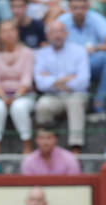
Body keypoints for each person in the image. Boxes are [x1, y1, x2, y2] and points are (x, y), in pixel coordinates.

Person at [33, 19, 89, 151]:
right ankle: (47, 145)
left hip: (75, 94)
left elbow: (83, 81)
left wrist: (52, 81)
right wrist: (65, 79)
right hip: (53, 96)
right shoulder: (41, 54)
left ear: (66, 33)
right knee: (42, 105)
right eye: (54, 32)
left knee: (75, 102)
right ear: (47, 35)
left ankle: (76, 147)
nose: (58, 35)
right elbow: (40, 83)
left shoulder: (79, 51)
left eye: (61, 31)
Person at [58, 0, 106, 114]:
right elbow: (49, 47)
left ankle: (100, 100)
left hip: (92, 62)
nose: (79, 11)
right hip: (70, 66)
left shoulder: (96, 19)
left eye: (82, 8)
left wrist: (96, 48)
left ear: (88, 8)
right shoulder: (61, 22)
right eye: (75, 8)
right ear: (69, 8)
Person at [0, 19, 36, 154]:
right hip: (1, 95)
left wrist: (15, 97)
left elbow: (26, 80)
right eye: (4, 31)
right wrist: (4, 97)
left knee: (18, 106)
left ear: (17, 32)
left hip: (24, 95)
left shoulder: (27, 53)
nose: (8, 34)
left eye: (11, 30)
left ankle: (27, 143)